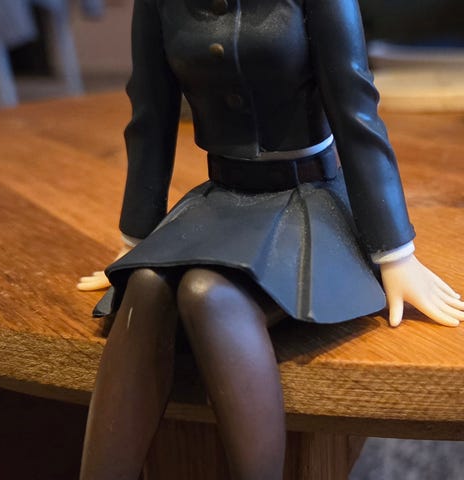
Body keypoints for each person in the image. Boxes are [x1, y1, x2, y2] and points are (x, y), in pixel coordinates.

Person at [78, 0, 464, 478]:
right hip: (222, 198)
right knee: (145, 286)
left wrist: (395, 252)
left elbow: (356, 110)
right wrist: (135, 239)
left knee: (206, 294)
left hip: (309, 198)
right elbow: (150, 116)